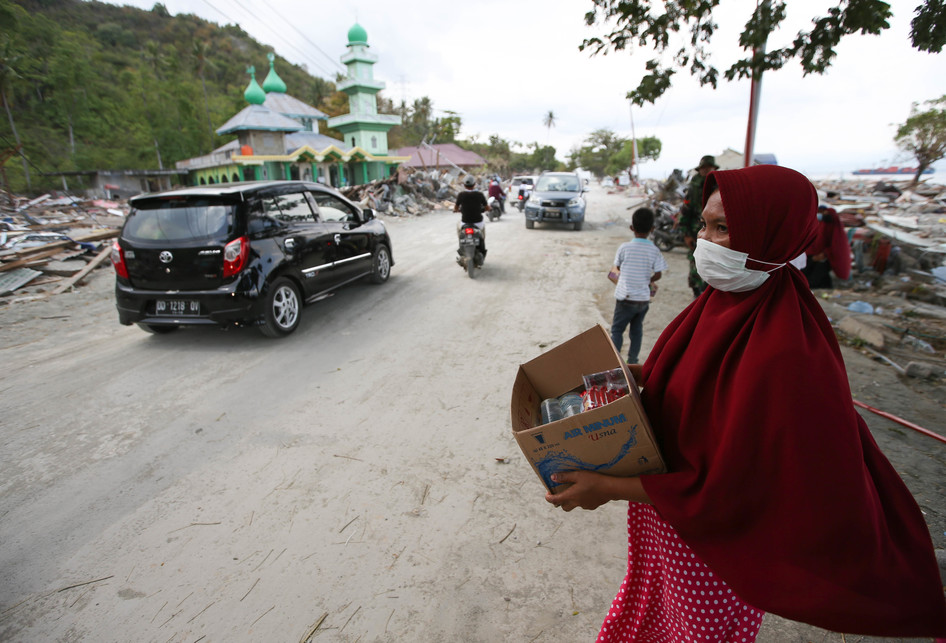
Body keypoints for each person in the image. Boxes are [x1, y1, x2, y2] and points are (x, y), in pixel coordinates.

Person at [546, 165, 946, 642]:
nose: (704, 243)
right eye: (704, 225)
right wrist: (621, 377)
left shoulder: (785, 351)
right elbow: (679, 380)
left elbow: (733, 489)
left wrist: (607, 486)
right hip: (668, 520)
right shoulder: (717, 303)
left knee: (695, 630)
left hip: (715, 548)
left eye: (724, 229)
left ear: (769, 235)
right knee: (653, 606)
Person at [608, 207, 667, 365]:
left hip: (625, 297)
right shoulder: (654, 250)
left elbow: (617, 268)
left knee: (617, 330)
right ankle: (633, 361)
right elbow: (659, 274)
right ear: (652, 229)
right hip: (642, 299)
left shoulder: (624, 248)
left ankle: (616, 362)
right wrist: (648, 279)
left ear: (632, 228)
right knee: (636, 330)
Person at [677, 154, 718, 298]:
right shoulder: (693, 187)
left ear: (714, 168)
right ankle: (696, 292)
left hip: (715, 232)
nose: (706, 171)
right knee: (695, 263)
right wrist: (686, 234)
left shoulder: (719, 186)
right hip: (696, 231)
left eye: (709, 168)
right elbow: (685, 211)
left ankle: (710, 294)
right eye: (703, 168)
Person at [802, 204, 852, 288]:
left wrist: (824, 254)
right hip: (813, 256)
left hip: (824, 258)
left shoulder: (831, 224)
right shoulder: (820, 224)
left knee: (814, 279)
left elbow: (835, 246)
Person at [454, 175, 488, 255]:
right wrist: (485, 209)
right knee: (482, 235)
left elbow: (456, 207)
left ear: (464, 185)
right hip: (478, 223)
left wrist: (457, 210)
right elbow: (486, 207)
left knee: (459, 230)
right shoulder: (480, 195)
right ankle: (482, 249)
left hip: (465, 222)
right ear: (474, 184)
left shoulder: (461, 195)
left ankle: (461, 245)